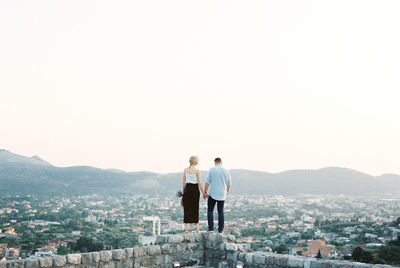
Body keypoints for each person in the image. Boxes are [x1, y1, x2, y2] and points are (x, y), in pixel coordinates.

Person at [204, 157, 232, 233]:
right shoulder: (226, 171)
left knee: (210, 210)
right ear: (221, 162)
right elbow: (229, 184)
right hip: (222, 194)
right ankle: (220, 229)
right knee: (221, 211)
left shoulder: (212, 170)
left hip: (213, 193)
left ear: (215, 162)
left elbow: (207, 182)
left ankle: (211, 228)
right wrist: (226, 192)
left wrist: (205, 192)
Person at [182, 155, 206, 233]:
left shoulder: (185, 170)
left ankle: (186, 229)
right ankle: (197, 228)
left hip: (187, 189)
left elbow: (183, 182)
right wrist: (204, 193)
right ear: (195, 161)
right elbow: (199, 182)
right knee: (195, 208)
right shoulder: (197, 171)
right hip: (195, 189)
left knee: (186, 208)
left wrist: (183, 192)